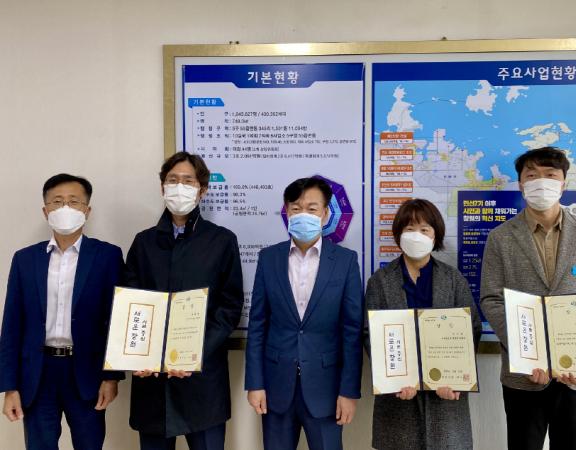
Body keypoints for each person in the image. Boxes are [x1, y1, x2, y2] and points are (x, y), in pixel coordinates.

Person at [480, 146, 576, 450]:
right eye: (532, 175)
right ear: (521, 184)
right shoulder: (500, 238)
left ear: (563, 183)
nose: (541, 182)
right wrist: (527, 352)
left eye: (550, 175)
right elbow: (491, 299)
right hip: (523, 375)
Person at [123, 152, 243, 450]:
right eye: (172, 180)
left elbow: (229, 307)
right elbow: (130, 304)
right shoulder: (144, 242)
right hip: (152, 381)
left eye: (188, 181)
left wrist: (194, 353)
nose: (179, 187)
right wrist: (139, 355)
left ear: (203, 189)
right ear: (162, 187)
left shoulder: (222, 240)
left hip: (202, 381)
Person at [0, 174, 124, 450]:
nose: (65, 208)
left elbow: (115, 320)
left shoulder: (108, 256)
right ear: (46, 211)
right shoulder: (24, 259)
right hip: (37, 374)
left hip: (87, 373)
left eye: (74, 202)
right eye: (57, 202)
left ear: (87, 210)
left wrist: (111, 376)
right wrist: (9, 386)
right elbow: (12, 325)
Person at [245, 177, 363, 450]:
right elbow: (258, 324)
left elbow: (352, 331)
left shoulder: (345, 261)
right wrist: (255, 384)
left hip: (326, 389)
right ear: (286, 212)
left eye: (312, 209)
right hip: (275, 387)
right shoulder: (269, 258)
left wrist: (349, 391)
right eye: (296, 208)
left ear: (325, 214)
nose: (303, 215)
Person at [366, 198, 481, 450]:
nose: (416, 236)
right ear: (398, 234)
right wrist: (391, 379)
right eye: (409, 229)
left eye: (424, 229)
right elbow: (369, 334)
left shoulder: (453, 279)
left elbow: (471, 328)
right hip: (398, 403)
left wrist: (457, 377)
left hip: (446, 401)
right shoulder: (380, 281)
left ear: (435, 235)